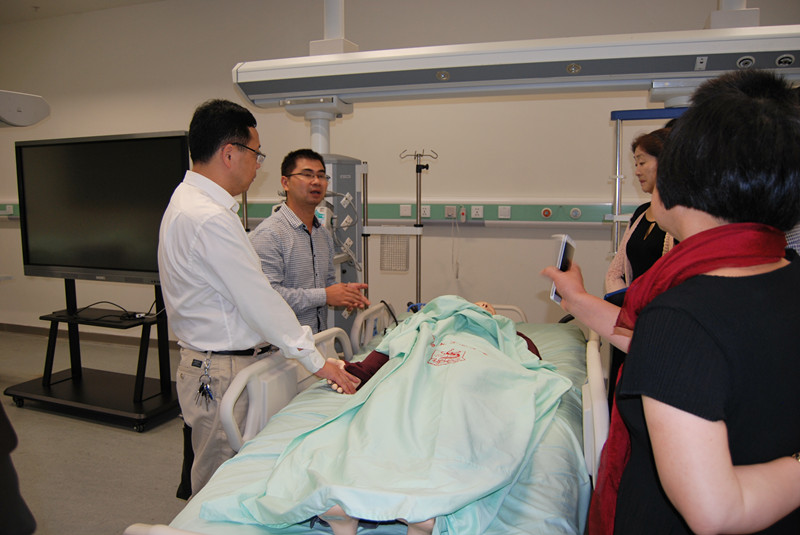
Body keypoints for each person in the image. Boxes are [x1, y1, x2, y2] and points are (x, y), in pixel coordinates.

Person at [544, 69, 800, 534]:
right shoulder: (780, 275)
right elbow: (670, 355)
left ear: (685, 178)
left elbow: (715, 510)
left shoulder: (683, 315)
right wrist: (577, 300)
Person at [158, 99, 360, 496]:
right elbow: (260, 299)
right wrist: (315, 360)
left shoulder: (192, 205)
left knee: (242, 478)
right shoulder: (209, 218)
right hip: (221, 371)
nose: (257, 165)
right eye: (256, 153)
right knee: (220, 489)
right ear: (229, 153)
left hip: (232, 362)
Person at [249, 149, 369, 333]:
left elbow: (326, 284)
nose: (316, 181)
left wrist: (343, 292)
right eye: (307, 175)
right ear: (285, 183)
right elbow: (268, 297)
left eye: (321, 176)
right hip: (283, 345)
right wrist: (325, 295)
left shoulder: (323, 235)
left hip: (316, 339)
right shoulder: (270, 235)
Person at [605, 128, 675, 293]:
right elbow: (615, 273)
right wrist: (626, 302)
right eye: (636, 164)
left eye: (642, 163)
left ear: (665, 161)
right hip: (634, 305)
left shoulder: (682, 216)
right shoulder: (640, 214)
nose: (637, 172)